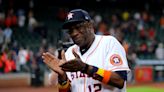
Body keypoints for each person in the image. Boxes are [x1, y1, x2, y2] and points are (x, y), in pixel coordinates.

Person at [42, 9, 130, 92]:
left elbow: (120, 80)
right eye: (70, 30)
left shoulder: (109, 43)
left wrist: (86, 68)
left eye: (78, 27)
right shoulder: (68, 53)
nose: (74, 33)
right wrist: (62, 78)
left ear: (90, 25)